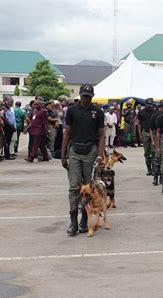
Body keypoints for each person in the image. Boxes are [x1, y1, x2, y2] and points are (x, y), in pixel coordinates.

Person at [61, 84, 105, 236]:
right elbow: (66, 133)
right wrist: (63, 155)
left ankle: (84, 221)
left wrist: (100, 155)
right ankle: (73, 222)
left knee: (89, 188)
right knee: (74, 187)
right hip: (74, 151)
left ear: (92, 96)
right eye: (84, 95)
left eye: (89, 96)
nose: (86, 98)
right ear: (80, 95)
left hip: (90, 152)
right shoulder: (72, 111)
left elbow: (101, 136)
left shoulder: (98, 112)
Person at [137, 98, 155, 175]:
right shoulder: (141, 112)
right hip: (145, 132)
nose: (149, 106)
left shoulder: (156, 112)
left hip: (153, 133)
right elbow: (139, 124)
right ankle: (149, 168)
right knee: (146, 152)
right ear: (145, 104)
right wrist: (140, 135)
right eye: (148, 105)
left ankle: (155, 168)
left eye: (150, 105)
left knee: (153, 152)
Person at [150, 101, 162, 186]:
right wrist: (153, 140)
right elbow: (151, 129)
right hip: (157, 137)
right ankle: (155, 177)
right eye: (160, 106)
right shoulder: (155, 116)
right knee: (157, 159)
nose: (162, 108)